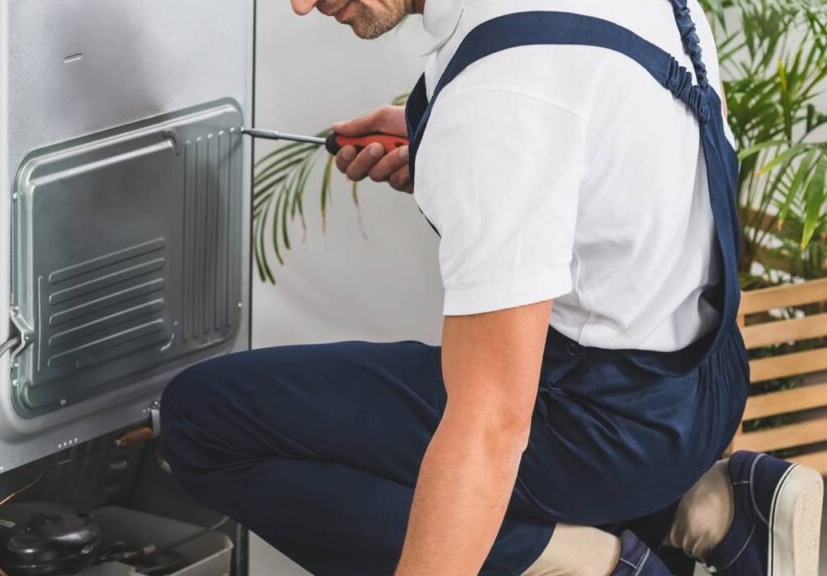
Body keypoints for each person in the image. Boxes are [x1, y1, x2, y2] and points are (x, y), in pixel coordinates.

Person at [159, 0, 824, 574]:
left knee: (206, 423)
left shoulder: (501, 99)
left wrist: (483, 151)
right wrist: (451, 148)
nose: (299, 6)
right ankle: (716, 511)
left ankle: (603, 566)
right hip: (702, 390)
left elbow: (493, 427)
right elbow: (626, 159)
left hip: (605, 431)